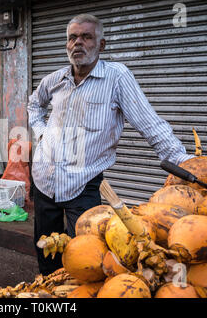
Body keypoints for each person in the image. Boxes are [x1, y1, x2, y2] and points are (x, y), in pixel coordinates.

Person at [27, 14, 194, 275]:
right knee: (46, 250)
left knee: (86, 259)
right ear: (66, 44)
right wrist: (41, 133)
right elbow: (34, 104)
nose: (78, 43)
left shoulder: (117, 78)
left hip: (82, 185)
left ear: (101, 45)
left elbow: (150, 125)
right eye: (72, 37)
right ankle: (48, 290)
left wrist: (184, 166)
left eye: (86, 37)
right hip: (44, 180)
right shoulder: (55, 79)